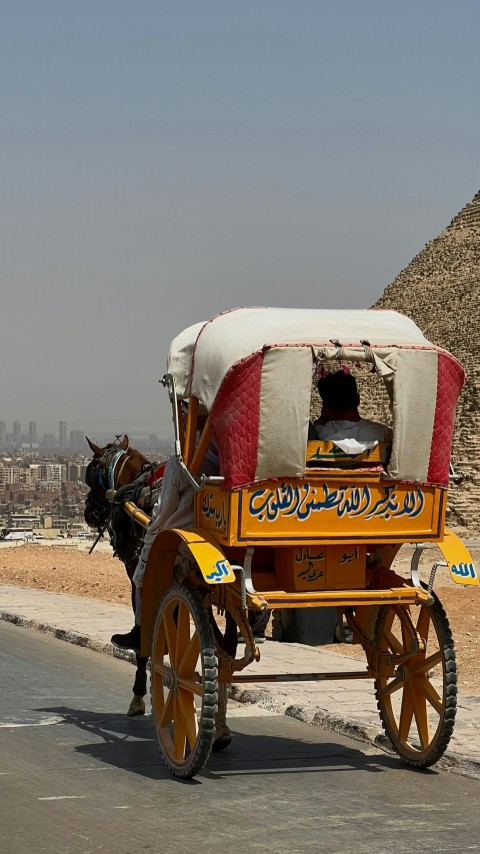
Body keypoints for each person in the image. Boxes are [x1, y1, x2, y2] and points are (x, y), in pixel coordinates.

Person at [310, 369, 392, 454]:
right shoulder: (383, 434)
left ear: (328, 408)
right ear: (358, 400)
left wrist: (321, 421)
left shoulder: (322, 434)